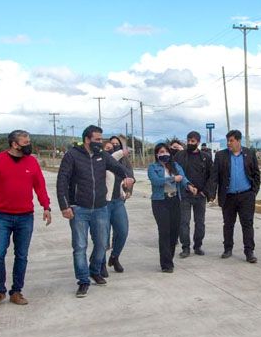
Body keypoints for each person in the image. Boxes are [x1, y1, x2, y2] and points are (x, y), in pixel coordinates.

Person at [57, 125, 135, 298]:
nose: (100, 142)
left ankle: (94, 270)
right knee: (80, 246)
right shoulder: (72, 155)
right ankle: (83, 281)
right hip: (79, 208)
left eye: (101, 139)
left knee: (101, 244)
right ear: (87, 139)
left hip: (100, 207)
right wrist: (64, 205)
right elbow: (62, 181)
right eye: (97, 139)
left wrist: (128, 177)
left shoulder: (102, 155)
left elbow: (117, 167)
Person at [0, 130, 51, 309]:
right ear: (14, 144)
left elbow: (40, 185)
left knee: (22, 255)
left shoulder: (32, 162)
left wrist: (46, 206)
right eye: (25, 142)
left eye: (29, 141)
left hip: (25, 217)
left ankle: (16, 291)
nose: (28, 145)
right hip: (1, 216)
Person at [208, 130, 261, 263]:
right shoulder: (221, 155)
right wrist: (212, 194)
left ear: (238, 141)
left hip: (246, 196)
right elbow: (214, 176)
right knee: (228, 224)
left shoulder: (249, 153)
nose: (228, 143)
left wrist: (254, 192)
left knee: (247, 224)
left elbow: (256, 174)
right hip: (228, 196)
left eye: (231, 140)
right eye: (227, 141)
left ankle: (249, 252)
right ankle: (228, 248)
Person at [148, 143, 197, 272]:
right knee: (164, 231)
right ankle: (166, 264)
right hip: (160, 201)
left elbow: (183, 178)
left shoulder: (175, 166)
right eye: (161, 152)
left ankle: (169, 257)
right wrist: (173, 178)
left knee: (174, 232)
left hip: (175, 199)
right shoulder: (153, 167)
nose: (164, 154)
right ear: (157, 154)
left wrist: (189, 186)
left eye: (166, 152)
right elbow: (156, 181)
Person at [174, 130, 212, 257]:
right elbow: (174, 171)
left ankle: (198, 246)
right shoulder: (180, 155)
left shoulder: (206, 157)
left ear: (198, 142)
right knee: (184, 222)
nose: (190, 143)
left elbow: (211, 176)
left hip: (200, 196)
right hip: (184, 195)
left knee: (200, 223)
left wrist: (205, 192)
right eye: (188, 140)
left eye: (193, 141)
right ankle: (185, 248)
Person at [100, 135, 133, 276]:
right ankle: (100, 263)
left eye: (115, 145)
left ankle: (115, 257)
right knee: (103, 235)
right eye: (108, 147)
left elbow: (130, 175)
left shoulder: (122, 163)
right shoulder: (100, 161)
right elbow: (112, 157)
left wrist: (129, 186)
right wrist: (122, 148)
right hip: (103, 203)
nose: (112, 148)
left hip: (118, 201)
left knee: (123, 231)